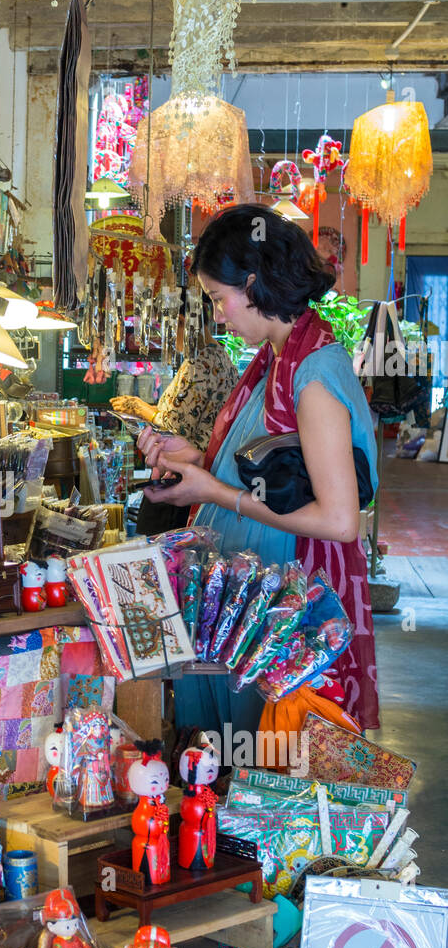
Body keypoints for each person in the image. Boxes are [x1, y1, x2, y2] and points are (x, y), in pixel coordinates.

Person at [139, 204, 379, 732]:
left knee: (265, 757)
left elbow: (340, 520)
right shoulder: (278, 355)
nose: (219, 314)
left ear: (252, 284)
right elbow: (277, 470)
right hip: (255, 588)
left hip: (286, 597)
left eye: (219, 299)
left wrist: (216, 492)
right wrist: (197, 460)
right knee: (231, 760)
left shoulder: (312, 373)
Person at [114, 300, 238, 537]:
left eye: (168, 328)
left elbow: (172, 427)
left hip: (179, 476)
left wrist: (139, 408)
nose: (165, 336)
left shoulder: (199, 363)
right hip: (197, 472)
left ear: (183, 323)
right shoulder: (219, 357)